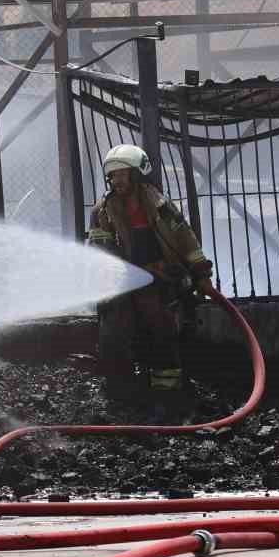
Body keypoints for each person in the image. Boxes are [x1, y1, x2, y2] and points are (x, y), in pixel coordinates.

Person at [86, 143, 216, 403]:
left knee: (159, 321)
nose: (117, 180)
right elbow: (99, 253)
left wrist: (201, 274)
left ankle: (166, 389)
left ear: (137, 175)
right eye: (112, 175)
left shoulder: (160, 206)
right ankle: (119, 387)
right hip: (122, 282)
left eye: (123, 174)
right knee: (115, 325)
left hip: (161, 277)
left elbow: (185, 239)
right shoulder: (102, 212)